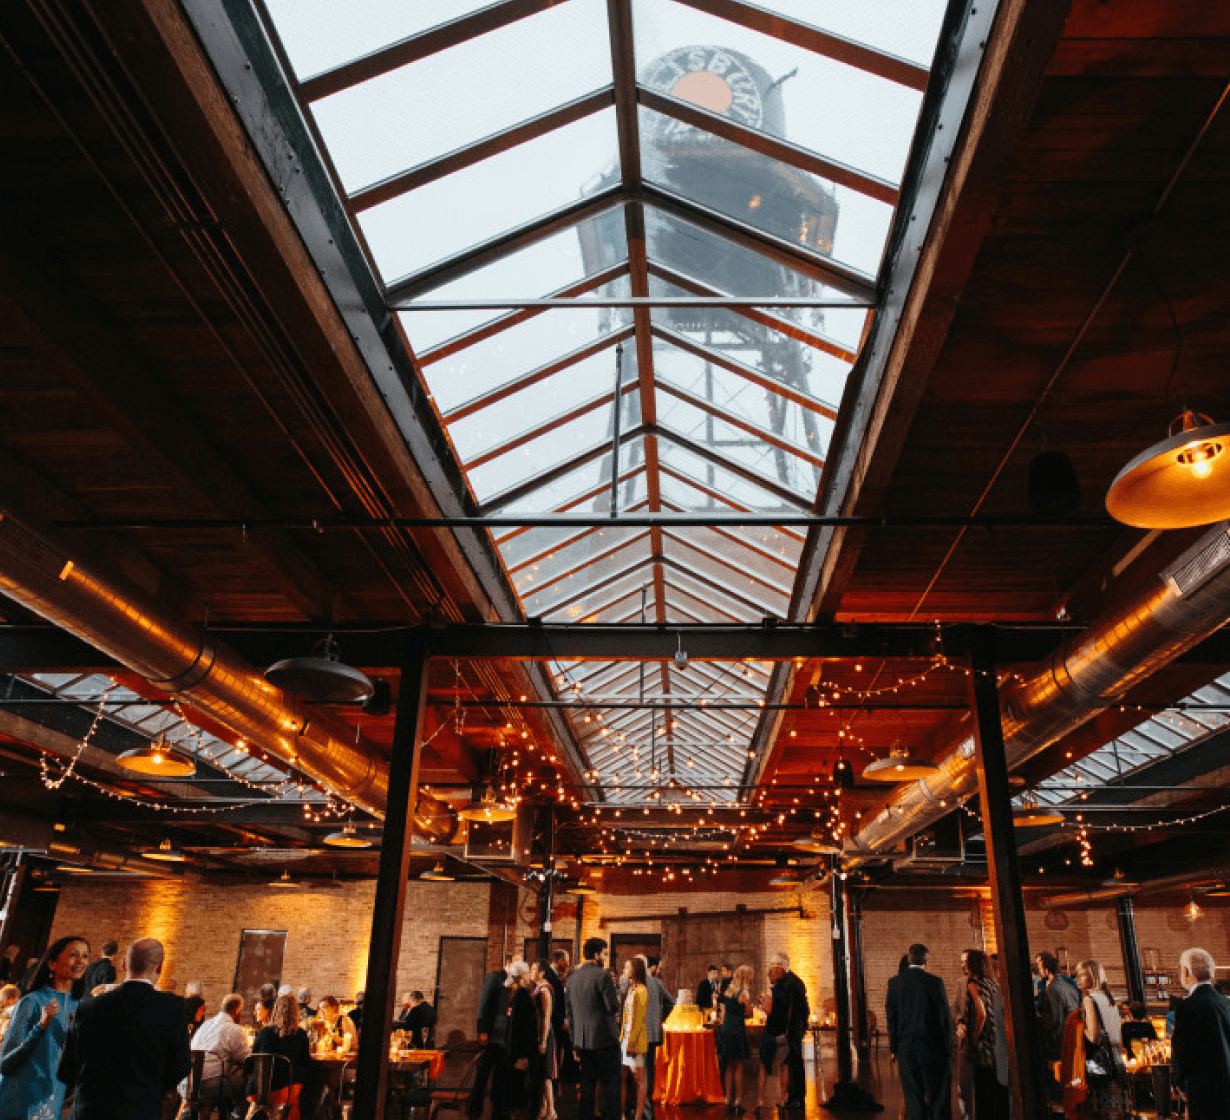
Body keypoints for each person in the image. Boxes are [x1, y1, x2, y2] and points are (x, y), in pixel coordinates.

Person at [57, 936, 190, 1120]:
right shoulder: (173, 1009)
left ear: (123, 965)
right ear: (160, 967)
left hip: (89, 1111)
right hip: (140, 1110)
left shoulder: (88, 1007)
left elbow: (66, 1071)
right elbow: (181, 1067)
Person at [0, 934, 89, 1120]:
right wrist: (40, 1028)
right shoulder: (32, 1002)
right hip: (21, 1099)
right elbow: (6, 1064)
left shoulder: (82, 1007)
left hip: (54, 1101)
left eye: (86, 956)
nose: (81, 961)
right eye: (73, 954)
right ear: (52, 964)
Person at [886, 943, 952, 1120]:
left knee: (913, 1097)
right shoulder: (935, 983)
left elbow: (891, 1019)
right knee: (938, 1095)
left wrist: (893, 1048)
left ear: (909, 959)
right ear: (926, 960)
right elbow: (944, 1018)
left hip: (906, 1048)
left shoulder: (894, 984)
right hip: (933, 1047)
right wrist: (948, 1047)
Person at [1060, 958, 1126, 1120]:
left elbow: (1094, 1037)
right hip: (1116, 1061)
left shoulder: (1089, 1000)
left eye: (1082, 975)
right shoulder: (1108, 998)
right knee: (1115, 1111)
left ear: (1093, 976)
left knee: (1097, 1111)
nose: (1077, 979)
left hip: (1099, 1064)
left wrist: (1077, 1029)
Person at [1171, 948, 1230, 1120]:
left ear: (1188, 972)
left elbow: (1183, 1050)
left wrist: (1181, 1083)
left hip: (1202, 1087)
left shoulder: (1189, 1005)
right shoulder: (1224, 1001)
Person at [566, 936, 621, 1120]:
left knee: (587, 1086)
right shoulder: (603, 975)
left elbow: (570, 1014)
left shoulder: (572, 978)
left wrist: (575, 1042)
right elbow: (612, 1007)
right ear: (597, 955)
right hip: (605, 1040)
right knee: (612, 1085)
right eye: (604, 954)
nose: (605, 958)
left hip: (583, 1042)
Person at [179, 992, 250, 1115]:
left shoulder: (205, 1025)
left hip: (188, 1083)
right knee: (249, 1085)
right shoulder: (233, 1029)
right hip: (211, 1085)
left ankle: (219, 1113)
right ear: (237, 1010)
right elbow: (246, 1058)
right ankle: (236, 1116)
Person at [960, 949, 1008, 1120]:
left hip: (983, 1043)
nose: (963, 965)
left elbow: (981, 1013)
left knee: (983, 1088)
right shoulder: (993, 983)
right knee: (997, 1086)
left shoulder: (973, 983)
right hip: (997, 1039)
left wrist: (973, 1037)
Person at [248, 993, 310, 1120]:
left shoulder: (264, 1033)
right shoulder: (301, 1035)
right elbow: (305, 1064)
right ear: (296, 1012)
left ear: (275, 1010)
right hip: (287, 1092)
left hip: (261, 1090)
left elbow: (252, 1060)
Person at [469, 956, 516, 1120]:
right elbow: (483, 1004)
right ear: (508, 964)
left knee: (500, 1075)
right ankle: (475, 1109)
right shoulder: (495, 977)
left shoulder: (515, 983)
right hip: (490, 1033)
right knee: (482, 1074)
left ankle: (497, 1110)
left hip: (504, 1036)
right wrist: (482, 1030)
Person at [760, 952, 808, 1112]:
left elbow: (785, 1008)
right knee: (791, 1063)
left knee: (793, 1063)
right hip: (793, 1028)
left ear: (782, 966)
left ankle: (796, 1098)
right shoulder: (790, 981)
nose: (771, 968)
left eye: (774, 964)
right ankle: (793, 1097)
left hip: (792, 1029)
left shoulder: (789, 983)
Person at [1037, 951, 1080, 1082]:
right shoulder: (1069, 985)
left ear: (1046, 970)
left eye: (1040, 968)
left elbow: (1056, 1018)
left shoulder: (1054, 988)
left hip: (1060, 1037)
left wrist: (1049, 1036)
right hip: (1072, 1033)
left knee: (1058, 1073)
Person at [717, 964, 753, 1113]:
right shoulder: (743, 993)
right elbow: (749, 1013)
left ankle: (727, 1098)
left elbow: (725, 1010)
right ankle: (738, 1099)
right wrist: (747, 1008)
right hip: (737, 1029)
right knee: (738, 1065)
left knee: (728, 1065)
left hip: (726, 1028)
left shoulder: (729, 991)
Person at [642, 955, 674, 1120]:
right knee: (649, 1070)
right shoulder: (657, 983)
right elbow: (671, 1002)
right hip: (654, 1032)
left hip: (638, 1033)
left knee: (638, 1072)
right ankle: (648, 1107)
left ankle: (640, 1107)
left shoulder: (634, 982)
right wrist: (661, 1018)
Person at [620, 957, 649, 1120]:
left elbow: (639, 1020)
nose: (624, 970)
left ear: (635, 970)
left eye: (627, 967)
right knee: (622, 1078)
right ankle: (621, 1113)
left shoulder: (642, 990)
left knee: (639, 1079)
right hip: (625, 1038)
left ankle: (639, 1115)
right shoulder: (631, 989)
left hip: (635, 1040)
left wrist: (631, 1043)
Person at [529, 962, 558, 1120]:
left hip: (546, 1034)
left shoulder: (545, 989)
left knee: (546, 1076)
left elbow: (546, 1017)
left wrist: (543, 1040)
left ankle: (551, 1111)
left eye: (534, 969)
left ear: (541, 972)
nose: (531, 972)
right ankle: (543, 1108)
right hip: (540, 1033)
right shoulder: (538, 987)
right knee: (541, 1075)